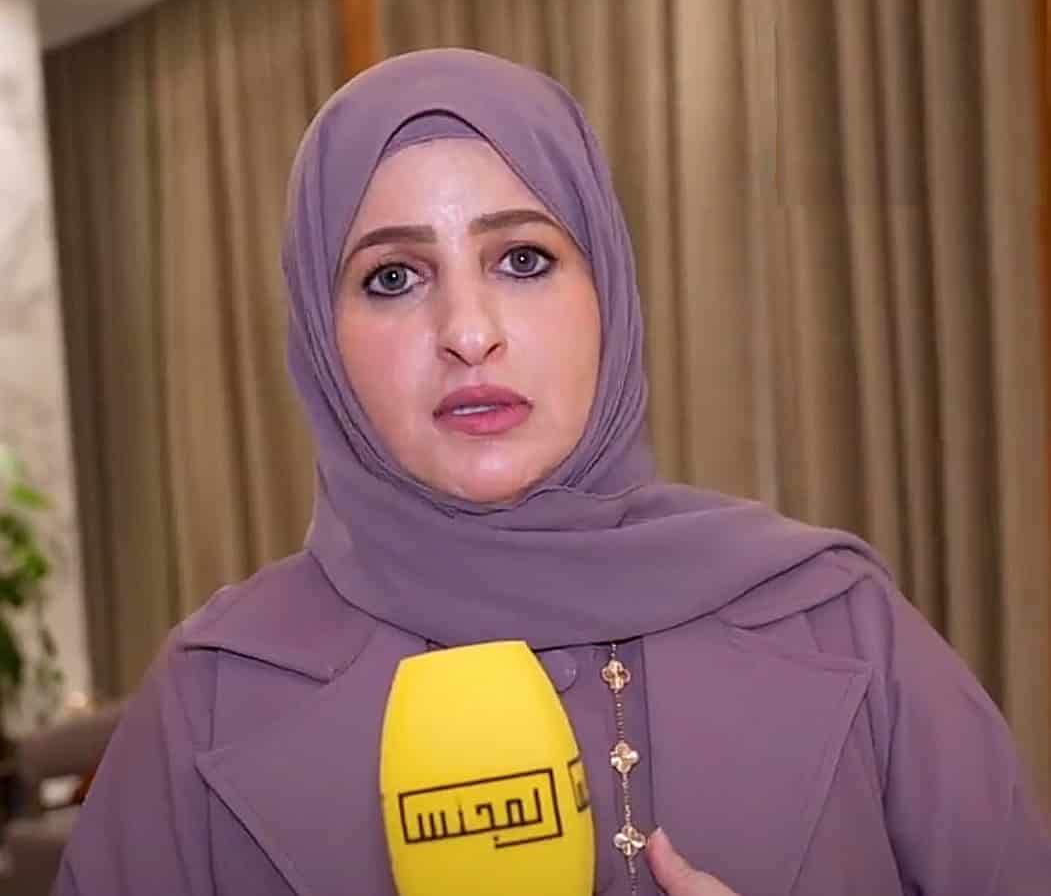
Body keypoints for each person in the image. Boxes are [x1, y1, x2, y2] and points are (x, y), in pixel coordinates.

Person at [53, 48, 1050, 896]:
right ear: (320, 335)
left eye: (522, 259)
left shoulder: (834, 618)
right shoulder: (216, 694)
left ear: (605, 286)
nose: (468, 330)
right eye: (392, 277)